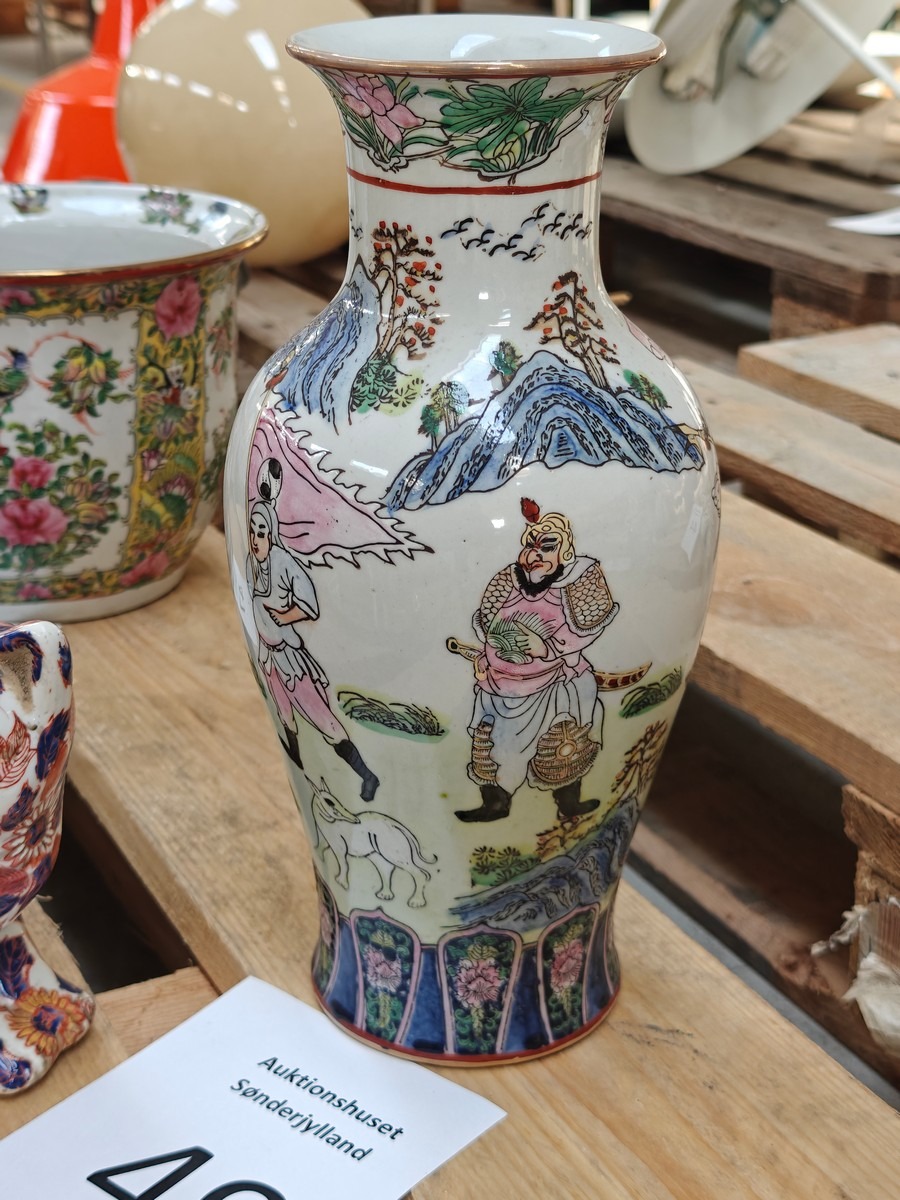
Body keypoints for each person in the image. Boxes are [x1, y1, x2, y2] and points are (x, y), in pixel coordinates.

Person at [455, 498, 618, 823]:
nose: (536, 554)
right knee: (488, 747)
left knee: (565, 748)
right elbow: (491, 628)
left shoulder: (573, 587)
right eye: (531, 546)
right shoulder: (509, 583)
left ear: (565, 554)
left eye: (547, 547)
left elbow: (581, 633)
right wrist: (487, 657)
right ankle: (495, 804)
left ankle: (568, 803)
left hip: (551, 682)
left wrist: (545, 648)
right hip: (501, 683)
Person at [247, 500, 379, 802]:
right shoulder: (252, 564)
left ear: (272, 534)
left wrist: (286, 616)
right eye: (252, 532)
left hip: (289, 657)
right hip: (268, 656)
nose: (255, 539)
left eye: (262, 532)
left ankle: (368, 776)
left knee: (323, 720)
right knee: (284, 713)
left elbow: (310, 605)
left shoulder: (283, 561)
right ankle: (299, 765)